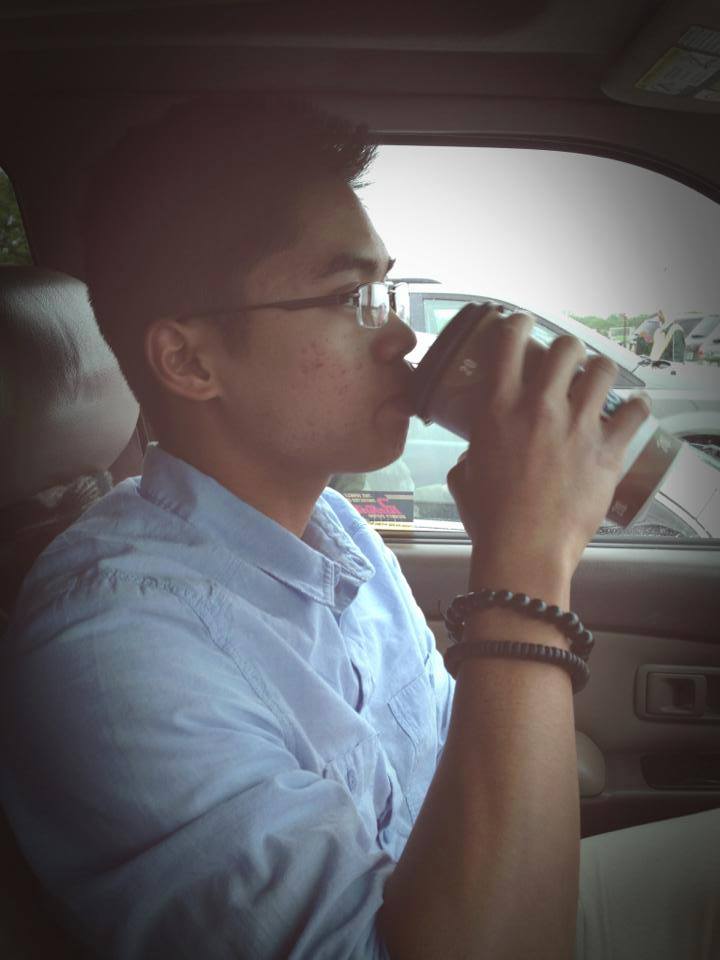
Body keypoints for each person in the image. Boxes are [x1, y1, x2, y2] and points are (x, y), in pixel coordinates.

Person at [1, 97, 717, 960]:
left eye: (383, 291)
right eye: (351, 298)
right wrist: (527, 559)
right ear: (189, 360)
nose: (402, 337)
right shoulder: (114, 650)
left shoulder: (333, 527)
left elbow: (453, 761)